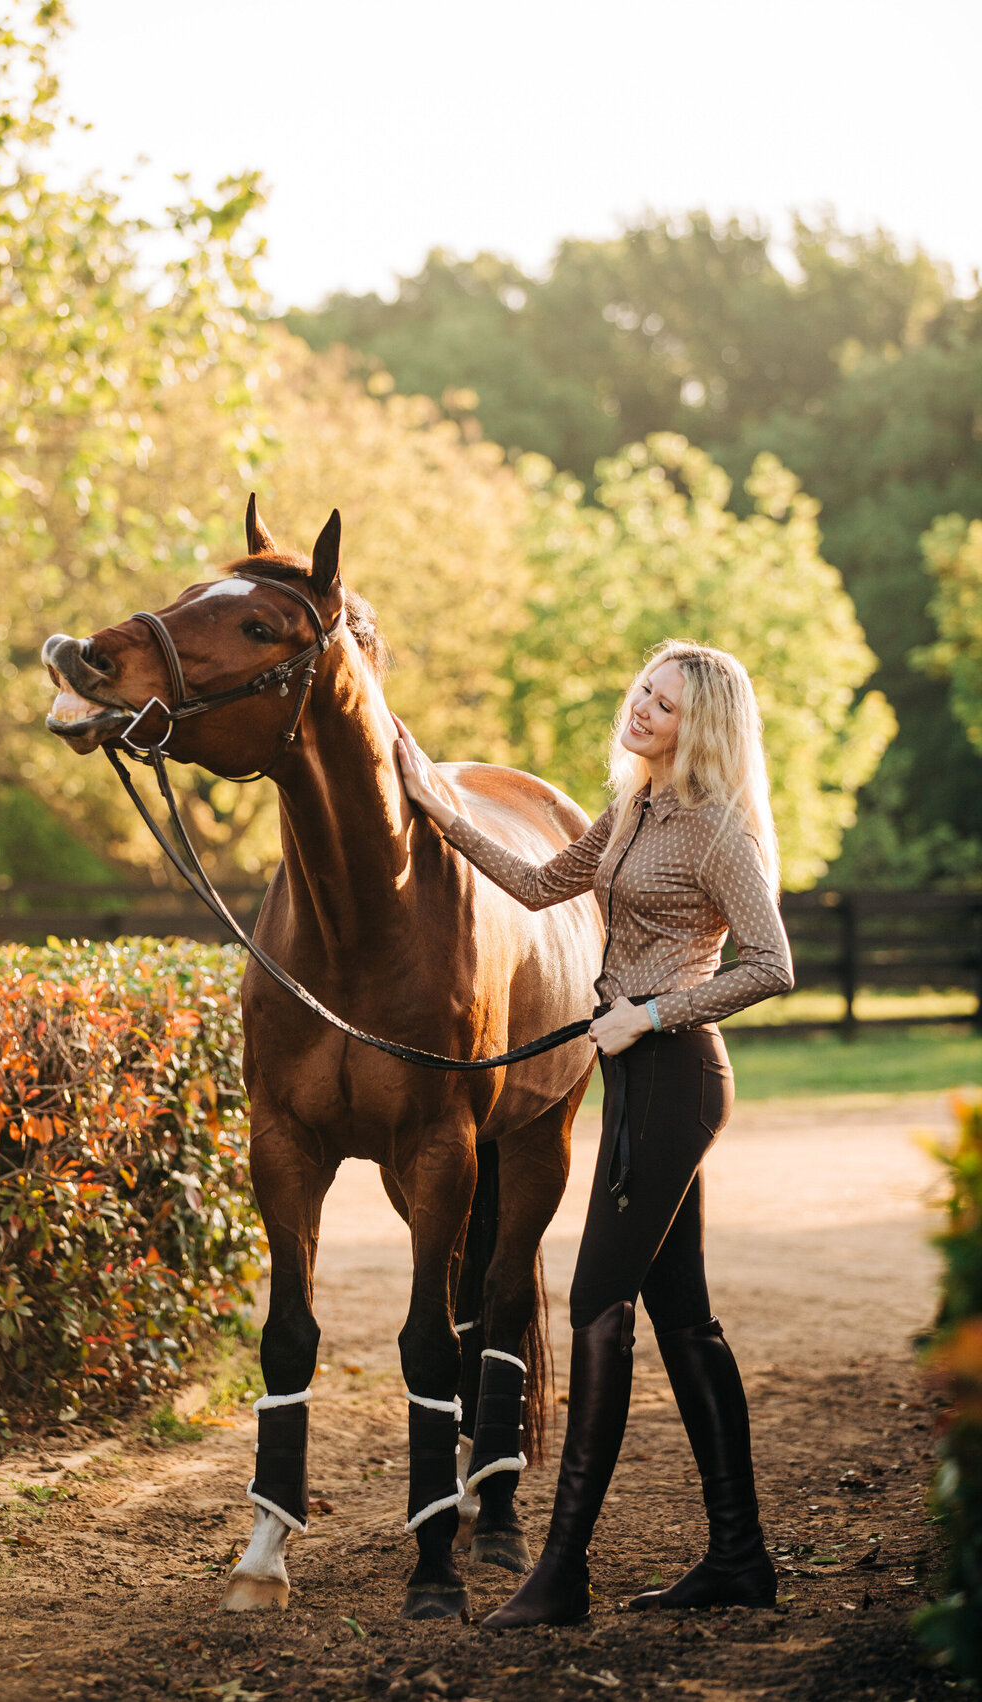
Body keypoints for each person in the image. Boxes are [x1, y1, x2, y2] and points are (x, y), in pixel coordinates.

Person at [393, 638, 794, 1629]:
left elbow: (773, 963)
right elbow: (538, 886)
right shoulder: (636, 808)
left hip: (675, 1076)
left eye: (662, 704)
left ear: (699, 724)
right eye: (642, 692)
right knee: (685, 1318)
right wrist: (440, 809)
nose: (641, 710)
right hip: (640, 1082)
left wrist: (657, 1013)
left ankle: (561, 1571)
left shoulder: (714, 829)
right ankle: (740, 1555)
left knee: (595, 1303)